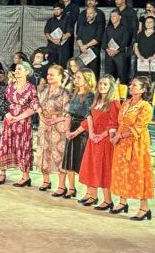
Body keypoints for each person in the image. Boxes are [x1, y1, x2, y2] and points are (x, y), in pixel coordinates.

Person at [109, 76, 155, 221]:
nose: (130, 87)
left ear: (143, 89)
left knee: (139, 173)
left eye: (134, 85)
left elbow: (138, 127)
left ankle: (144, 208)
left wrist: (119, 136)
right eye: (131, 84)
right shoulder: (127, 102)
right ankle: (122, 202)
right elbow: (120, 122)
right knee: (122, 171)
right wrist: (114, 134)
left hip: (137, 144)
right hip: (121, 143)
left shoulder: (145, 106)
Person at [0, 63, 39, 185]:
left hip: (23, 121)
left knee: (23, 146)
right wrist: (7, 114)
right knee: (5, 144)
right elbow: (0, 100)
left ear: (27, 72)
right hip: (9, 120)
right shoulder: (10, 86)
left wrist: (18, 117)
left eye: (20, 69)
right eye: (16, 69)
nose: (16, 71)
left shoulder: (31, 88)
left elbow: (34, 106)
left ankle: (25, 177)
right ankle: (2, 173)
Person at [78, 74, 120, 210]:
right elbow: (90, 117)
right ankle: (92, 195)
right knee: (91, 166)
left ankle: (108, 200)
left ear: (111, 87)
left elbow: (114, 123)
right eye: (100, 83)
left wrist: (101, 136)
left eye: (105, 84)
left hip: (105, 139)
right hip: (93, 138)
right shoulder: (96, 101)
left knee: (104, 169)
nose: (102, 86)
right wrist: (91, 133)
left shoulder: (113, 103)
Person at [35, 65, 73, 194]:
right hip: (44, 125)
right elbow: (38, 106)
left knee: (59, 155)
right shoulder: (44, 90)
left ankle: (62, 186)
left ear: (60, 76)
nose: (49, 76)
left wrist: (55, 120)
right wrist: (41, 116)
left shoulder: (65, 92)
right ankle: (46, 181)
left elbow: (68, 112)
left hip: (58, 127)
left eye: (52, 74)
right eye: (48, 74)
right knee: (43, 152)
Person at [62, 70, 96, 202]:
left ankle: (90, 193)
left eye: (79, 77)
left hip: (83, 130)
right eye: (75, 77)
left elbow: (89, 116)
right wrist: (67, 130)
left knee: (83, 162)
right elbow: (69, 113)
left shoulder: (90, 95)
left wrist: (76, 132)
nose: (75, 80)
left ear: (87, 79)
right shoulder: (76, 93)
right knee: (69, 159)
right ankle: (71, 188)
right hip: (72, 127)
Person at [102, 9, 132, 87]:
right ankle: (109, 91)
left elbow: (125, 43)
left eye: (114, 16)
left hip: (120, 55)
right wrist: (107, 50)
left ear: (120, 17)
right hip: (109, 55)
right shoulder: (108, 29)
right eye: (111, 16)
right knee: (108, 75)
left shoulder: (124, 29)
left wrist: (116, 51)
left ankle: (122, 92)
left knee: (121, 74)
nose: (112, 18)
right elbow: (104, 41)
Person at [133, 16, 155, 82]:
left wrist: (153, 57)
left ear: (154, 24)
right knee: (140, 78)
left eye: (150, 22)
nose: (148, 23)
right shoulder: (140, 34)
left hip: (154, 59)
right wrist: (139, 56)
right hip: (141, 59)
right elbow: (135, 46)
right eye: (146, 22)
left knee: (153, 78)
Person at [74, 5, 103, 74]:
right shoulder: (83, 24)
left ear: (95, 14)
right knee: (83, 71)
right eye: (87, 13)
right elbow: (78, 37)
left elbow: (97, 39)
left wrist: (86, 46)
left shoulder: (99, 24)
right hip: (83, 51)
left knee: (93, 72)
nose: (88, 15)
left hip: (93, 51)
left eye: (90, 13)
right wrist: (82, 47)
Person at [44, 3, 72, 67]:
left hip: (63, 47)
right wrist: (53, 40)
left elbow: (69, 32)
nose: (56, 11)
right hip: (51, 46)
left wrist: (61, 39)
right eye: (54, 9)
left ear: (62, 10)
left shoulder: (67, 19)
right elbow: (46, 32)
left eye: (58, 9)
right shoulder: (50, 20)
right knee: (51, 64)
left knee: (63, 65)